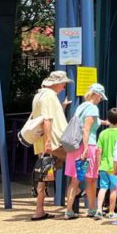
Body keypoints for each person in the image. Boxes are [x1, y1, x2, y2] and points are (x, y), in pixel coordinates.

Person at [29, 70, 72, 221]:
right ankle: (77, 204)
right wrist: (49, 141)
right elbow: (47, 119)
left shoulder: (39, 95)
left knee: (45, 174)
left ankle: (39, 210)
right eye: (64, 84)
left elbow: (45, 115)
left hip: (43, 143)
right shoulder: (49, 96)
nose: (65, 87)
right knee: (78, 163)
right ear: (58, 83)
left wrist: (62, 106)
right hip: (54, 142)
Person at [62, 82, 108, 219]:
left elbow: (91, 123)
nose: (101, 99)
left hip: (75, 147)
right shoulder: (93, 108)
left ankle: (68, 210)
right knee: (91, 179)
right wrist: (87, 148)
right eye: (100, 97)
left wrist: (104, 122)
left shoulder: (81, 107)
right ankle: (92, 208)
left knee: (75, 180)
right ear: (97, 95)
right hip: (87, 147)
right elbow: (86, 128)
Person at [95, 108, 117, 220]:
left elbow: (99, 151)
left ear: (108, 119)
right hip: (115, 167)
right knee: (113, 189)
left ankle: (99, 210)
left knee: (102, 188)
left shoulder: (102, 133)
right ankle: (111, 211)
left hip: (103, 165)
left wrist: (98, 165)